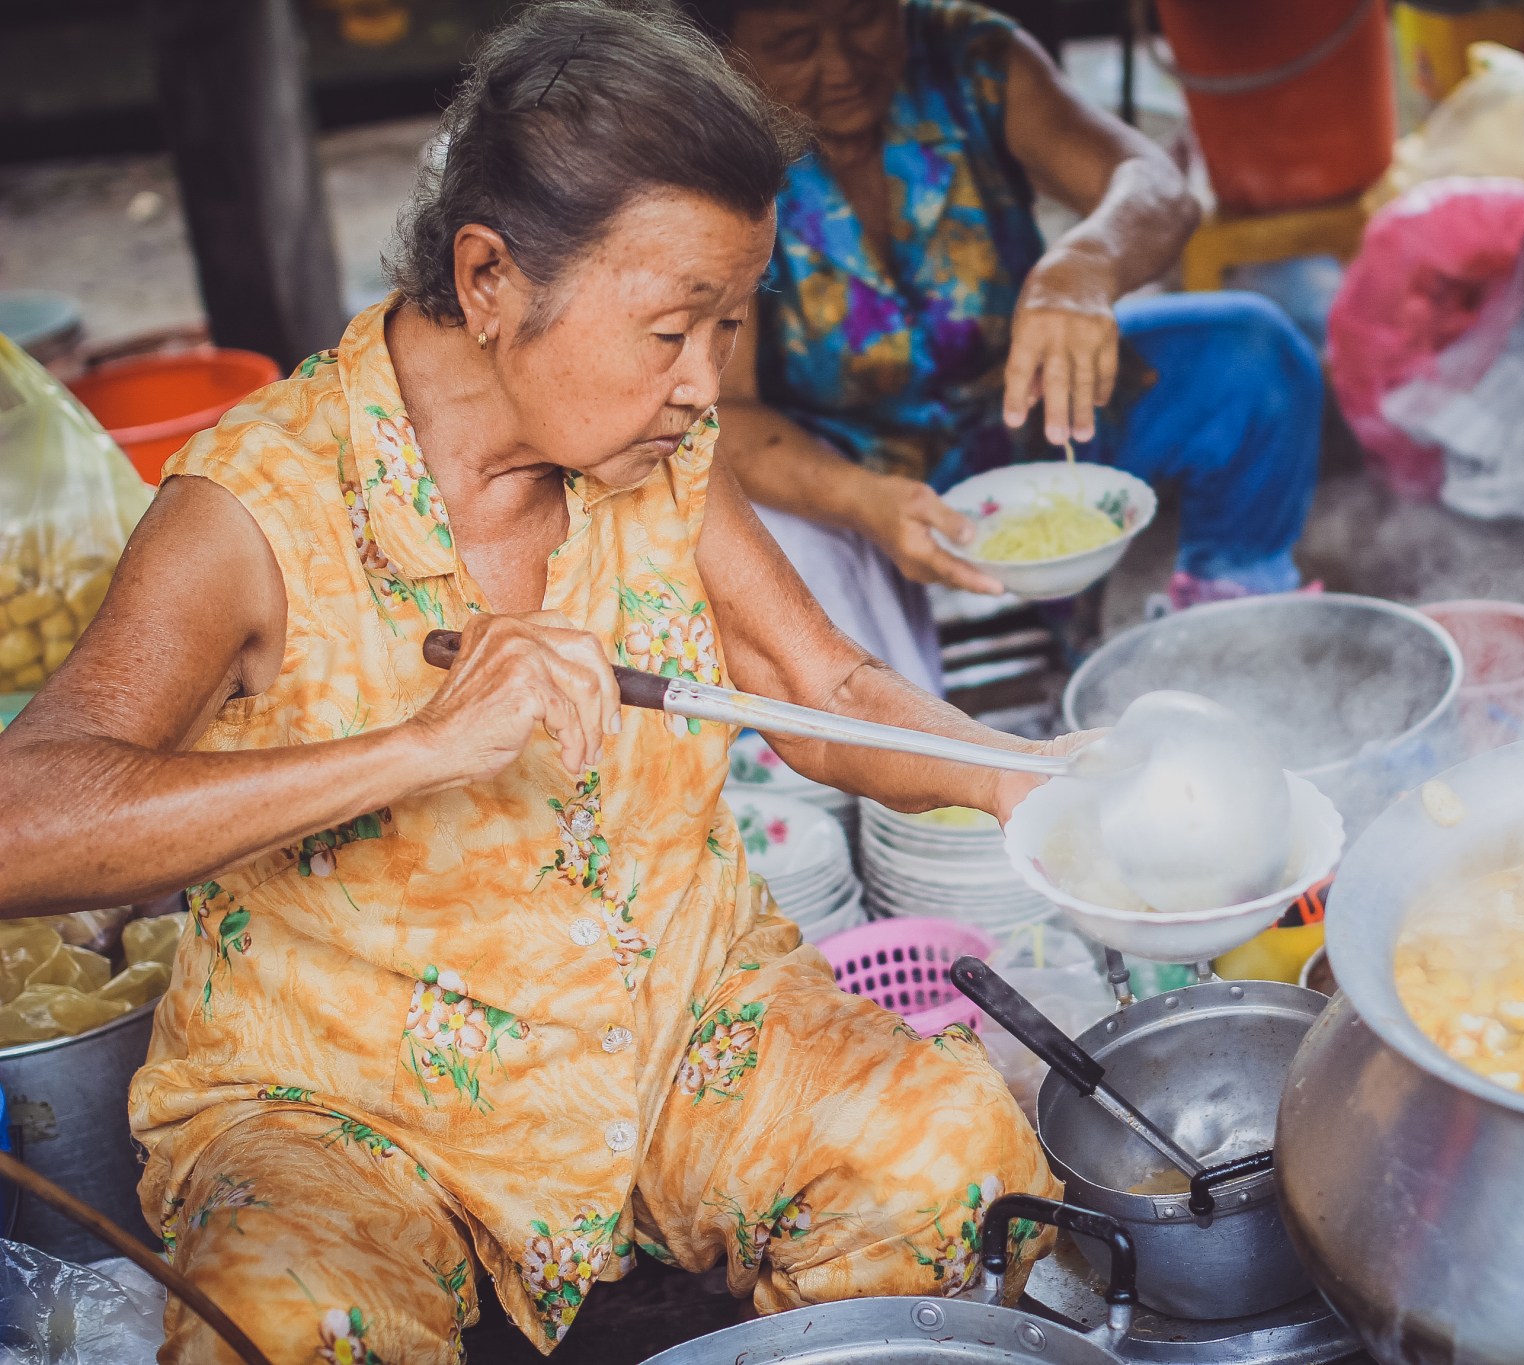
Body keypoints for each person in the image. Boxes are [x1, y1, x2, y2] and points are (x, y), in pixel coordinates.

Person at [0, 5, 1073, 1359]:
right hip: (355, 1105)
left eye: (730, 327)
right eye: (672, 328)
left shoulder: (661, 455)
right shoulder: (256, 507)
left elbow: (832, 689)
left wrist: (1037, 781)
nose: (706, 386)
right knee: (287, 1327)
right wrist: (419, 750)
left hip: (688, 1021)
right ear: (493, 277)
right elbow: (21, 818)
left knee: (960, 1161)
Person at [702, 0, 1325, 692]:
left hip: (1040, 416)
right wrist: (863, 502)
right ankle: (892, 712)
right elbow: (724, 413)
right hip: (843, 477)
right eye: (795, 42)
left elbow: (1156, 186)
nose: (844, 65)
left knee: (1251, 356)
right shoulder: (714, 153)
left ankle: (1234, 628)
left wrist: (1087, 263)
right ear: (730, 49)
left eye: (865, 21)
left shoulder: (971, 58)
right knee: (749, 546)